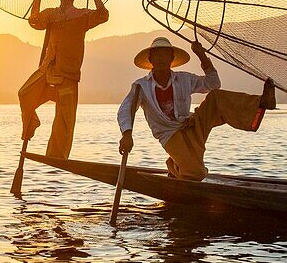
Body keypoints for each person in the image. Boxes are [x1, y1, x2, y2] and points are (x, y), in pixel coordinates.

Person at [117, 36, 276, 180]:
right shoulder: (141, 86)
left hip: (191, 125)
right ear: (150, 60)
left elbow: (213, 84)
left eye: (165, 54)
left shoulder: (183, 78)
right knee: (196, 173)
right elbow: (125, 110)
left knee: (216, 97)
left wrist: (202, 55)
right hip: (169, 135)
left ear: (171, 58)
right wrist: (127, 135)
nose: (161, 59)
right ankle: (174, 166)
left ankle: (262, 102)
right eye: (157, 55)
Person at [18, 0, 108, 159]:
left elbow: (103, 15)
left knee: (64, 119)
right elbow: (34, 20)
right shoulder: (51, 14)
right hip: (48, 67)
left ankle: (56, 157)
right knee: (24, 93)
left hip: (68, 72)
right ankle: (31, 123)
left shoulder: (82, 15)